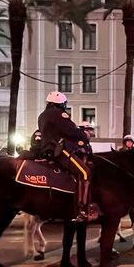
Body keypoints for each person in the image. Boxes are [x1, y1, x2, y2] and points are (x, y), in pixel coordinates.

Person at [37, 91, 92, 221]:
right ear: (61, 104)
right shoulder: (59, 114)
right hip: (58, 150)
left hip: (46, 149)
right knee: (85, 172)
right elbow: (71, 130)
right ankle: (81, 209)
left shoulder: (43, 115)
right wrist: (84, 136)